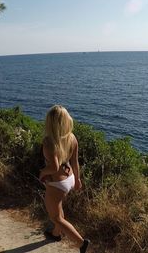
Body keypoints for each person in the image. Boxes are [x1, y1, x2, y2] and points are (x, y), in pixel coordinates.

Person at [39, 105, 90, 253]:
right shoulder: (72, 137)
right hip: (69, 179)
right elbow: (75, 162)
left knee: (56, 217)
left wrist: (42, 173)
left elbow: (54, 167)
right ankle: (56, 234)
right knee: (58, 207)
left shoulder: (49, 142)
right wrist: (78, 180)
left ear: (50, 122)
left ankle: (82, 243)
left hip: (56, 183)